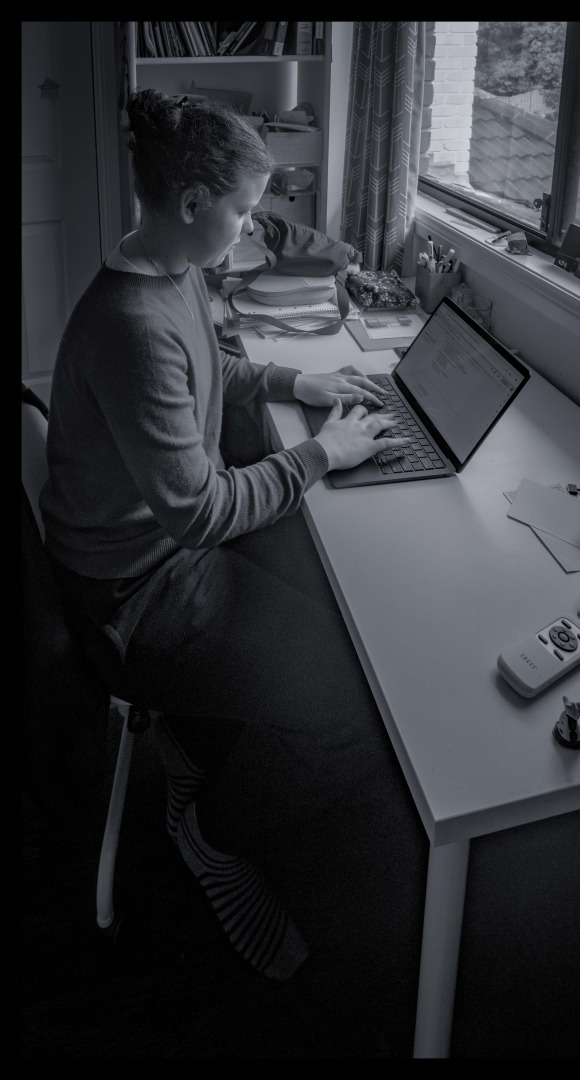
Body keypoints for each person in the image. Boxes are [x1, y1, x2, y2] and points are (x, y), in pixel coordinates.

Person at [39, 88, 425, 983]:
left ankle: (209, 739)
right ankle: (212, 834)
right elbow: (203, 510)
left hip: (155, 556)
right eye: (246, 212)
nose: (252, 230)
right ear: (192, 204)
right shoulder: (130, 325)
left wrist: (298, 385)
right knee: (354, 712)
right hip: (138, 594)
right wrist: (321, 458)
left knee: (332, 606)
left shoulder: (166, 270)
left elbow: (213, 366)